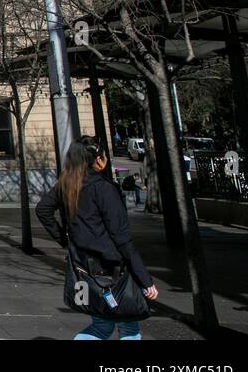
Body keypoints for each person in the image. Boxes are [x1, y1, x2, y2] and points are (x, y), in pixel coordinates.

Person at [36, 135, 158, 340]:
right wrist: (145, 280)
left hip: (85, 267)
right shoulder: (104, 189)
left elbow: (43, 209)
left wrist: (65, 240)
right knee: (129, 329)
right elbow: (121, 239)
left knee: (101, 327)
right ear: (97, 159)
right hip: (113, 269)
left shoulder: (68, 185)